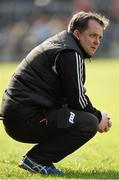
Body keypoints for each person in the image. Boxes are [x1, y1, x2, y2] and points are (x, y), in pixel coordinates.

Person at [1, 11, 112, 176]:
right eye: (92, 35)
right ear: (77, 33)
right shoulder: (70, 52)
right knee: (88, 122)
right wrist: (98, 116)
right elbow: (76, 98)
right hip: (25, 118)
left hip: (20, 116)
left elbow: (70, 95)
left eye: (100, 37)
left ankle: (37, 159)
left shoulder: (63, 44)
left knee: (85, 118)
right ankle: (36, 160)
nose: (96, 42)